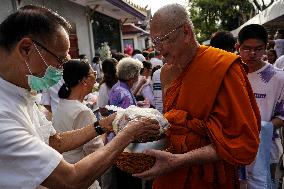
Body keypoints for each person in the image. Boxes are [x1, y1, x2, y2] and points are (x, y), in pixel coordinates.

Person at [0, 5, 160, 189]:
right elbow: (71, 179)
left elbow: (53, 141)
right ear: (26, 49)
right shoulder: (3, 115)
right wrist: (128, 133)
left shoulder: (21, 91)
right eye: (60, 60)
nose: (61, 70)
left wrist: (104, 124)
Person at [133, 4, 260, 189]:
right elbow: (175, 125)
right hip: (170, 171)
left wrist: (180, 160)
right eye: (155, 42)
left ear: (186, 32)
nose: (160, 50)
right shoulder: (165, 73)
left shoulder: (224, 67)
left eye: (163, 40)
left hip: (211, 176)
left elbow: (242, 140)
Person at [236, 24, 284, 189]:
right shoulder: (231, 75)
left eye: (258, 49)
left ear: (266, 47)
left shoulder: (278, 78)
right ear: (238, 47)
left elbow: (282, 116)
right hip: (234, 151)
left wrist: (263, 128)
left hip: (266, 153)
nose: (253, 54)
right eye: (247, 49)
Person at [52, 59, 104, 189]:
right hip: (80, 174)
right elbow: (95, 149)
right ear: (84, 80)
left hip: (64, 171)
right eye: (94, 74)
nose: (95, 79)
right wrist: (106, 131)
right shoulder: (82, 111)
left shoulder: (63, 103)